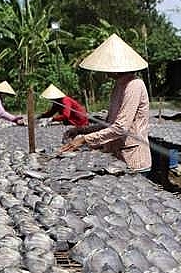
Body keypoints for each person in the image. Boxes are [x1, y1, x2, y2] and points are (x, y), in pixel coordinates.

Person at [59, 34, 151, 172]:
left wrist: (85, 139)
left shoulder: (134, 85)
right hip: (117, 158)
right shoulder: (118, 85)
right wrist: (81, 130)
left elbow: (120, 128)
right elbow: (110, 124)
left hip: (133, 160)